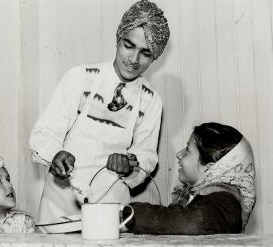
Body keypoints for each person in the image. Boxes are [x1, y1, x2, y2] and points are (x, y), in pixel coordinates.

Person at [29, 0, 170, 223]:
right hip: (60, 203)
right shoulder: (80, 77)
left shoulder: (151, 100)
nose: (133, 60)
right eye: (128, 45)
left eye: (145, 53)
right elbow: (44, 132)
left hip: (110, 206)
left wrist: (129, 164)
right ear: (118, 39)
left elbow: (147, 156)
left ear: (155, 57)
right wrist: (55, 153)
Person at [123, 122, 256, 234]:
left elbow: (193, 224)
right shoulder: (205, 196)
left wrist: (132, 214)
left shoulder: (225, 200)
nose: (178, 154)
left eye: (187, 150)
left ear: (209, 167)